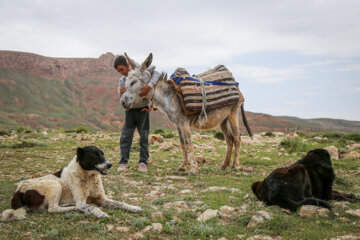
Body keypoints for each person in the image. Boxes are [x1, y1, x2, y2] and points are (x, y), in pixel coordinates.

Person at [114, 55, 161, 173]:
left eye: (121, 69)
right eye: (119, 71)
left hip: (142, 110)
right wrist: (121, 93)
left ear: (128, 65)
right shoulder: (122, 80)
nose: (121, 73)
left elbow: (157, 73)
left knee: (144, 137)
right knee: (126, 137)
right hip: (130, 111)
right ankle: (123, 162)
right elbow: (122, 98)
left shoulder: (140, 74)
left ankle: (143, 163)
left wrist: (149, 86)